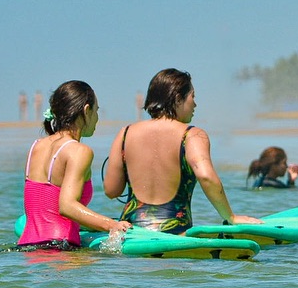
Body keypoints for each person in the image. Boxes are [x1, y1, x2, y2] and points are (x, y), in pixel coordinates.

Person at [103, 68, 261, 234]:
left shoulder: (125, 133)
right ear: (178, 99)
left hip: (130, 232)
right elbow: (206, 177)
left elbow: (111, 191)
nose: (195, 104)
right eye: (192, 96)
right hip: (175, 232)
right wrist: (231, 217)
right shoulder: (192, 135)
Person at [17, 81, 131, 250]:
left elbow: (48, 209)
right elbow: (67, 206)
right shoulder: (79, 151)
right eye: (96, 110)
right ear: (86, 111)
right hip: (60, 249)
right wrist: (111, 225)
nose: (97, 118)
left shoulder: (36, 146)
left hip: (27, 248)